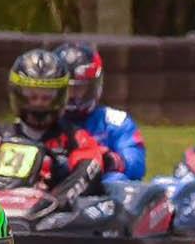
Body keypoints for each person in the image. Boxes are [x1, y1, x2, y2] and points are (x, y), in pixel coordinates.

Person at [0, 48, 112, 191]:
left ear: (60, 97)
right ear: (18, 94)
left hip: (50, 209)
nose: (39, 104)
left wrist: (60, 195)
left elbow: (89, 167)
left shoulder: (75, 139)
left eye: (46, 97)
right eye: (32, 96)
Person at [54, 42, 147, 182]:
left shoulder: (116, 122)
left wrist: (109, 160)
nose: (72, 96)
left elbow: (136, 165)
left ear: (93, 87)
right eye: (67, 90)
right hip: (54, 190)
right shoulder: (44, 123)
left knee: (116, 180)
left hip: (100, 193)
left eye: (78, 89)